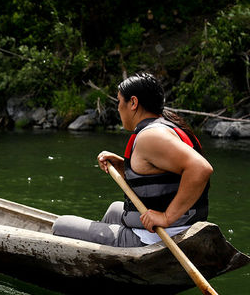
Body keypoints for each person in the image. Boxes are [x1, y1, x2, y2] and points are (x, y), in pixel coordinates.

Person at [52, 72, 212, 247]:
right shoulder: (166, 126)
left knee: (60, 225)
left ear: (133, 103)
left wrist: (167, 217)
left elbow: (200, 169)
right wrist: (124, 167)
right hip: (181, 225)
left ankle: (114, 252)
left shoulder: (151, 136)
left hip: (159, 237)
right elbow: (161, 179)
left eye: (119, 101)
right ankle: (107, 255)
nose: (118, 108)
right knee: (114, 210)